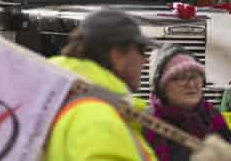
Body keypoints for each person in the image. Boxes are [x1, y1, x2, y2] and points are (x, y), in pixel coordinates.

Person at [44, 9, 158, 160]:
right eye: (142, 50)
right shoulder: (100, 121)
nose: (146, 60)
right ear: (117, 55)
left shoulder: (66, 102)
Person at [146, 45, 231, 160]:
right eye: (179, 78)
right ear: (161, 88)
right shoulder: (147, 123)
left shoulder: (213, 118)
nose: (191, 84)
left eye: (195, 76)